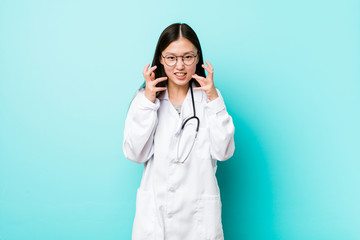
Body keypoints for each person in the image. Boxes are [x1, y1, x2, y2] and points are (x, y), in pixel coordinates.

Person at [123, 23, 235, 240]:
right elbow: (135, 153)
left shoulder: (210, 99)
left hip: (199, 220)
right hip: (157, 218)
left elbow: (224, 152)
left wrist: (214, 100)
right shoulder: (144, 99)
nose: (180, 66)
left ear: (197, 58)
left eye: (187, 57)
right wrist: (148, 102)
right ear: (161, 59)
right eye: (171, 58)